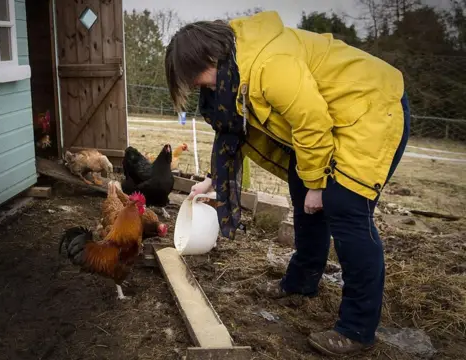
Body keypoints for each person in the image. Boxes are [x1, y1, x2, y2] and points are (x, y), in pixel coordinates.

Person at [165, 10, 410, 357]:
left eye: (194, 77)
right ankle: (301, 283)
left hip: (370, 108)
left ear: (209, 57)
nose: (195, 86)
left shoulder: (268, 65)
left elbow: (311, 122)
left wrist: (317, 184)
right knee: (302, 196)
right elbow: (239, 132)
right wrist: (213, 179)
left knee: (346, 210)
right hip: (330, 120)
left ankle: (357, 328)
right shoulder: (236, 71)